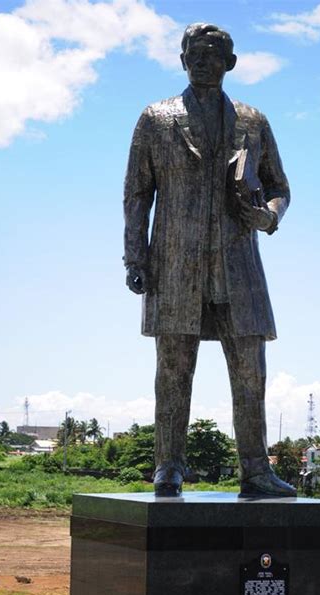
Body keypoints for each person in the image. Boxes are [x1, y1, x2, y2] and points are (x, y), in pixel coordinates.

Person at [124, 22, 295, 498]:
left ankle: (256, 471)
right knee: (173, 370)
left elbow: (280, 186)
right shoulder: (156, 119)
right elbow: (138, 194)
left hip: (238, 266)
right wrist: (134, 256)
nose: (203, 61)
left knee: (250, 371)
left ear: (230, 63)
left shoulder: (253, 121)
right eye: (194, 53)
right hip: (176, 267)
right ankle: (168, 467)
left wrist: (268, 216)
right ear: (181, 60)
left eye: (213, 54)